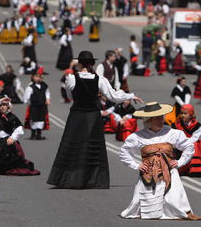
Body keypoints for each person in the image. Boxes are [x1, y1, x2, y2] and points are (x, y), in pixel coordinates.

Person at [48, 51, 143, 189]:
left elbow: (70, 96)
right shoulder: (100, 79)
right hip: (92, 115)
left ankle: (68, 179)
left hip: (76, 115)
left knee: (73, 146)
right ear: (92, 63)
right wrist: (131, 95)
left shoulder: (71, 78)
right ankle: (91, 179)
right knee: (91, 147)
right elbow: (114, 96)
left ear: (80, 63)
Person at [119, 102, 201, 220]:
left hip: (170, 173)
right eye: (157, 118)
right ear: (149, 120)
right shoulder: (138, 136)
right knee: (148, 205)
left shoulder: (172, 133)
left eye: (162, 117)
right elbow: (124, 152)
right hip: (148, 175)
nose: (161, 120)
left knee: (174, 198)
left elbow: (189, 147)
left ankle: (173, 211)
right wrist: (137, 165)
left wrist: (179, 162)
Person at [0, 101, 41, 175]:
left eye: (4, 105)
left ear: (8, 106)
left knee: (9, 158)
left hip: (6, 141)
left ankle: (6, 167)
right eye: (0, 105)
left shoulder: (11, 117)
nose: (2, 107)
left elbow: (19, 129)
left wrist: (13, 138)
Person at [172, 104, 201, 177]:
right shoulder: (176, 124)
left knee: (194, 145)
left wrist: (187, 144)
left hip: (191, 143)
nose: (182, 115)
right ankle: (182, 168)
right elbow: (174, 136)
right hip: (179, 144)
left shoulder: (197, 125)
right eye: (181, 113)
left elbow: (195, 138)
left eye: (185, 113)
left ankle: (196, 170)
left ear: (191, 114)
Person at [23, 67, 50, 140]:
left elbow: (47, 93)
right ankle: (33, 133)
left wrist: (47, 99)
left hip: (42, 106)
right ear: (33, 77)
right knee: (34, 119)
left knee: (41, 119)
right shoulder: (30, 87)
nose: (39, 78)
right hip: (34, 106)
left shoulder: (44, 85)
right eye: (37, 76)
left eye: (40, 77)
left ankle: (39, 134)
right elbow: (26, 96)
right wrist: (28, 103)